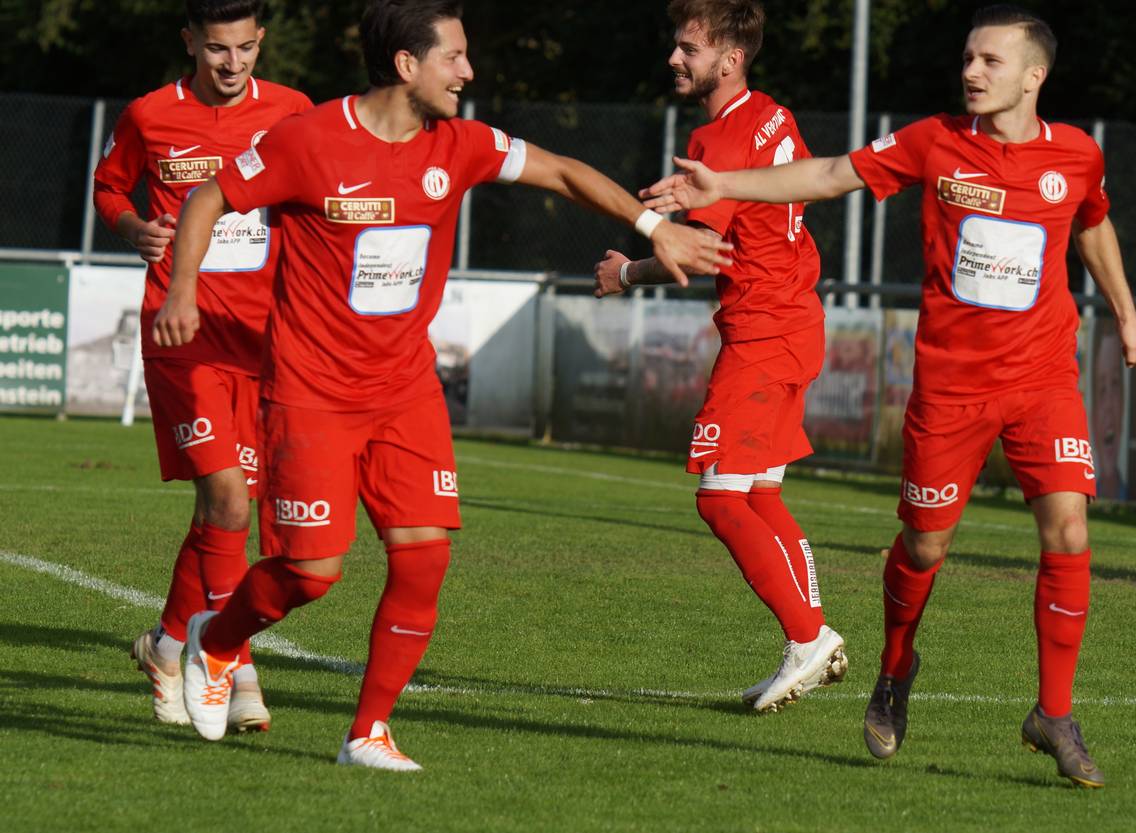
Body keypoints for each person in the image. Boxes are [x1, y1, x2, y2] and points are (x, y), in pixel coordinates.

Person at [154, 0, 730, 770]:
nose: (469, 71)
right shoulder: (308, 140)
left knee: (423, 556)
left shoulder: (459, 144)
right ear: (405, 66)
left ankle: (368, 732)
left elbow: (561, 169)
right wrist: (182, 289)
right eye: (454, 57)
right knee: (311, 572)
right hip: (311, 395)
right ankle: (216, 640)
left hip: (405, 392)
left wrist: (656, 230)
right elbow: (208, 197)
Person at [643, 3, 1136, 788]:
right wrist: (727, 182)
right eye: (967, 58)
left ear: (1033, 76)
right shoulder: (934, 141)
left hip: (1044, 379)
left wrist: (1127, 316)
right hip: (950, 389)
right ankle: (894, 666)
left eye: (989, 61)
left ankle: (1054, 711)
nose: (972, 71)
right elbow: (827, 174)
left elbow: (1093, 224)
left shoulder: (1078, 156)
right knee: (924, 547)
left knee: (1068, 531)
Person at [592, 0, 846, 713]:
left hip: (764, 332)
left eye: (689, 49)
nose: (675, 59)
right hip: (797, 321)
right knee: (761, 493)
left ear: (729, 58)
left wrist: (626, 273)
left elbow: (702, 253)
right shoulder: (773, 112)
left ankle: (808, 636)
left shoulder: (721, 138)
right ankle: (812, 632)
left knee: (719, 496)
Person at [91, 0, 312, 734]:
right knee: (229, 499)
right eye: (217, 49)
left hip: (263, 340)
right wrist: (132, 228)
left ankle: (165, 643)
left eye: (245, 48)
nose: (232, 64)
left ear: (260, 43)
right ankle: (236, 662)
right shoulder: (151, 116)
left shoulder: (292, 111)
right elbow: (109, 186)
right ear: (189, 42)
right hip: (182, 334)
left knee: (224, 507)